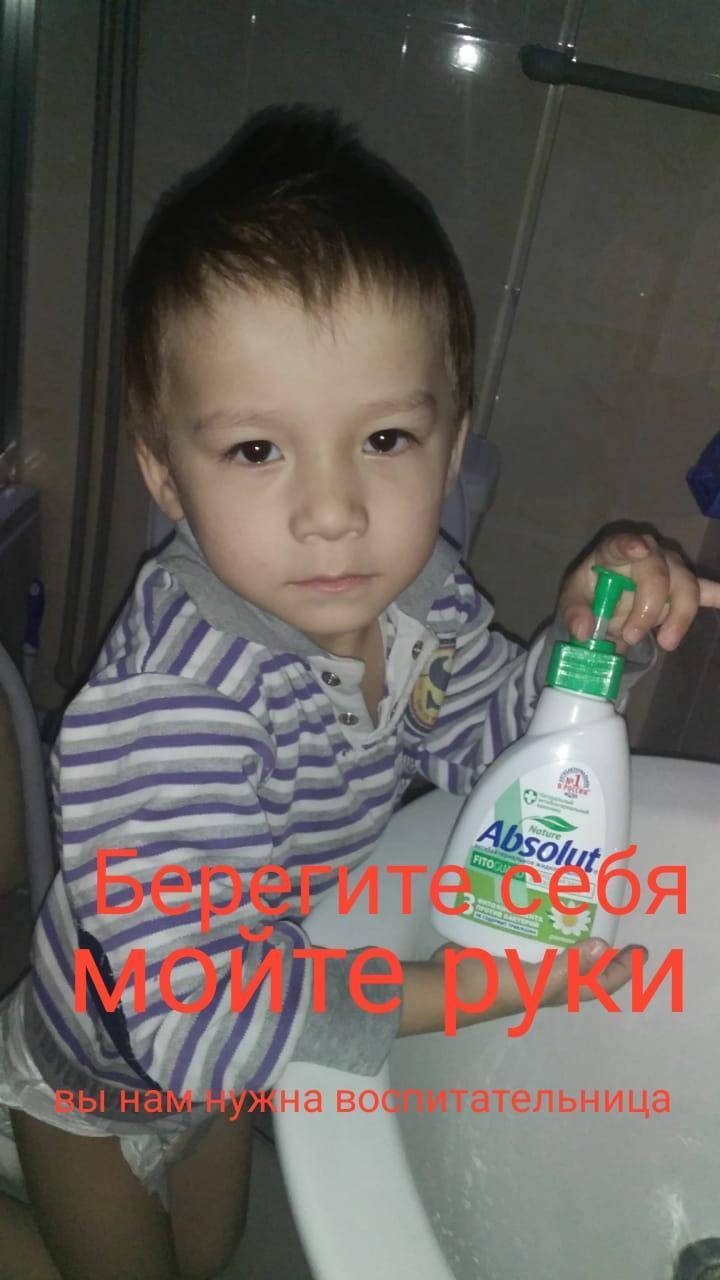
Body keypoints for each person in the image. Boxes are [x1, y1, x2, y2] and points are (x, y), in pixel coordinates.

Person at [1, 103, 718, 1280]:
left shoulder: (418, 596)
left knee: (212, 1249)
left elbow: (492, 743)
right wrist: (479, 985)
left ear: (451, 442)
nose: (333, 512)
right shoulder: (175, 701)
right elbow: (199, 1013)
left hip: (246, 1022)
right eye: (257, 449)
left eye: (384, 439)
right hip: (104, 1061)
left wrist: (593, 638)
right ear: (164, 473)